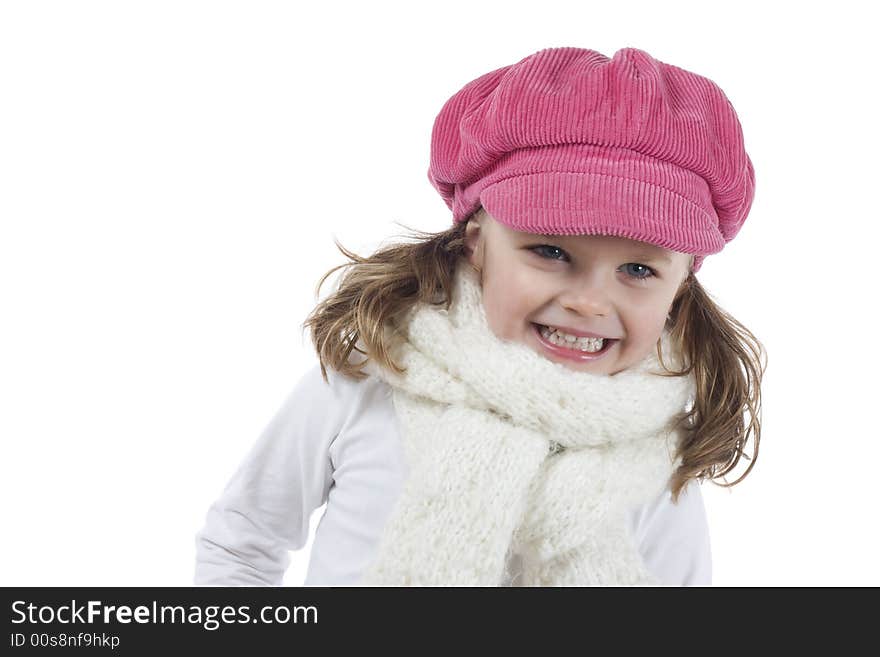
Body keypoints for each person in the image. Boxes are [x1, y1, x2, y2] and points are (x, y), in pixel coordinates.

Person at [193, 46, 766, 587]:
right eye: (551, 251)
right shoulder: (369, 377)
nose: (589, 303)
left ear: (681, 282)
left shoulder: (661, 459)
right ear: (476, 242)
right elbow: (242, 539)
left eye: (638, 271)